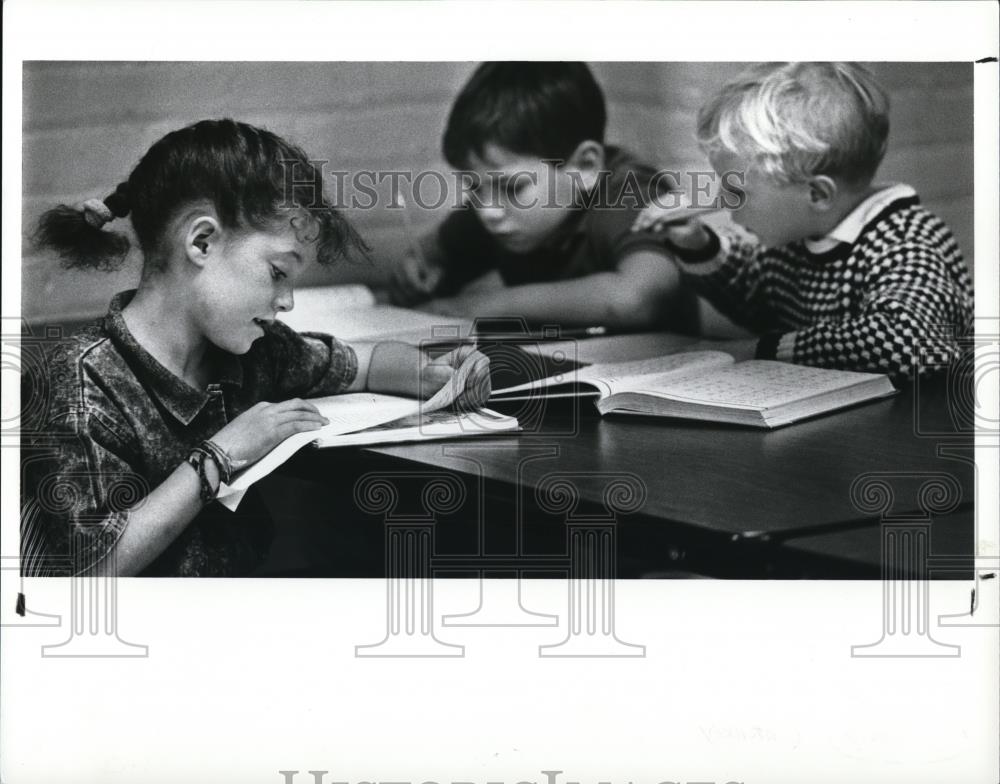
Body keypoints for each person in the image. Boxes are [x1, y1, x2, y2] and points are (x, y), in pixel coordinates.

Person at [22, 119, 490, 577]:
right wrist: (221, 455)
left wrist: (431, 374)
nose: (287, 302)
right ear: (201, 241)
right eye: (278, 273)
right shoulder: (84, 383)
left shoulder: (254, 350)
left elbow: (362, 364)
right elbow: (97, 570)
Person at [633, 62, 973, 379]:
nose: (727, 206)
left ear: (817, 195)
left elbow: (912, 342)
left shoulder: (906, 242)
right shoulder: (798, 238)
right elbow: (753, 298)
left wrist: (758, 351)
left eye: (739, 192)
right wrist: (698, 245)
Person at [389, 62, 691, 332]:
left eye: (513, 188)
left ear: (584, 167)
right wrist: (419, 266)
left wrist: (485, 305)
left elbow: (640, 297)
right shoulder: (496, 206)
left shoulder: (628, 192)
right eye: (473, 187)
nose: (487, 212)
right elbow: (434, 252)